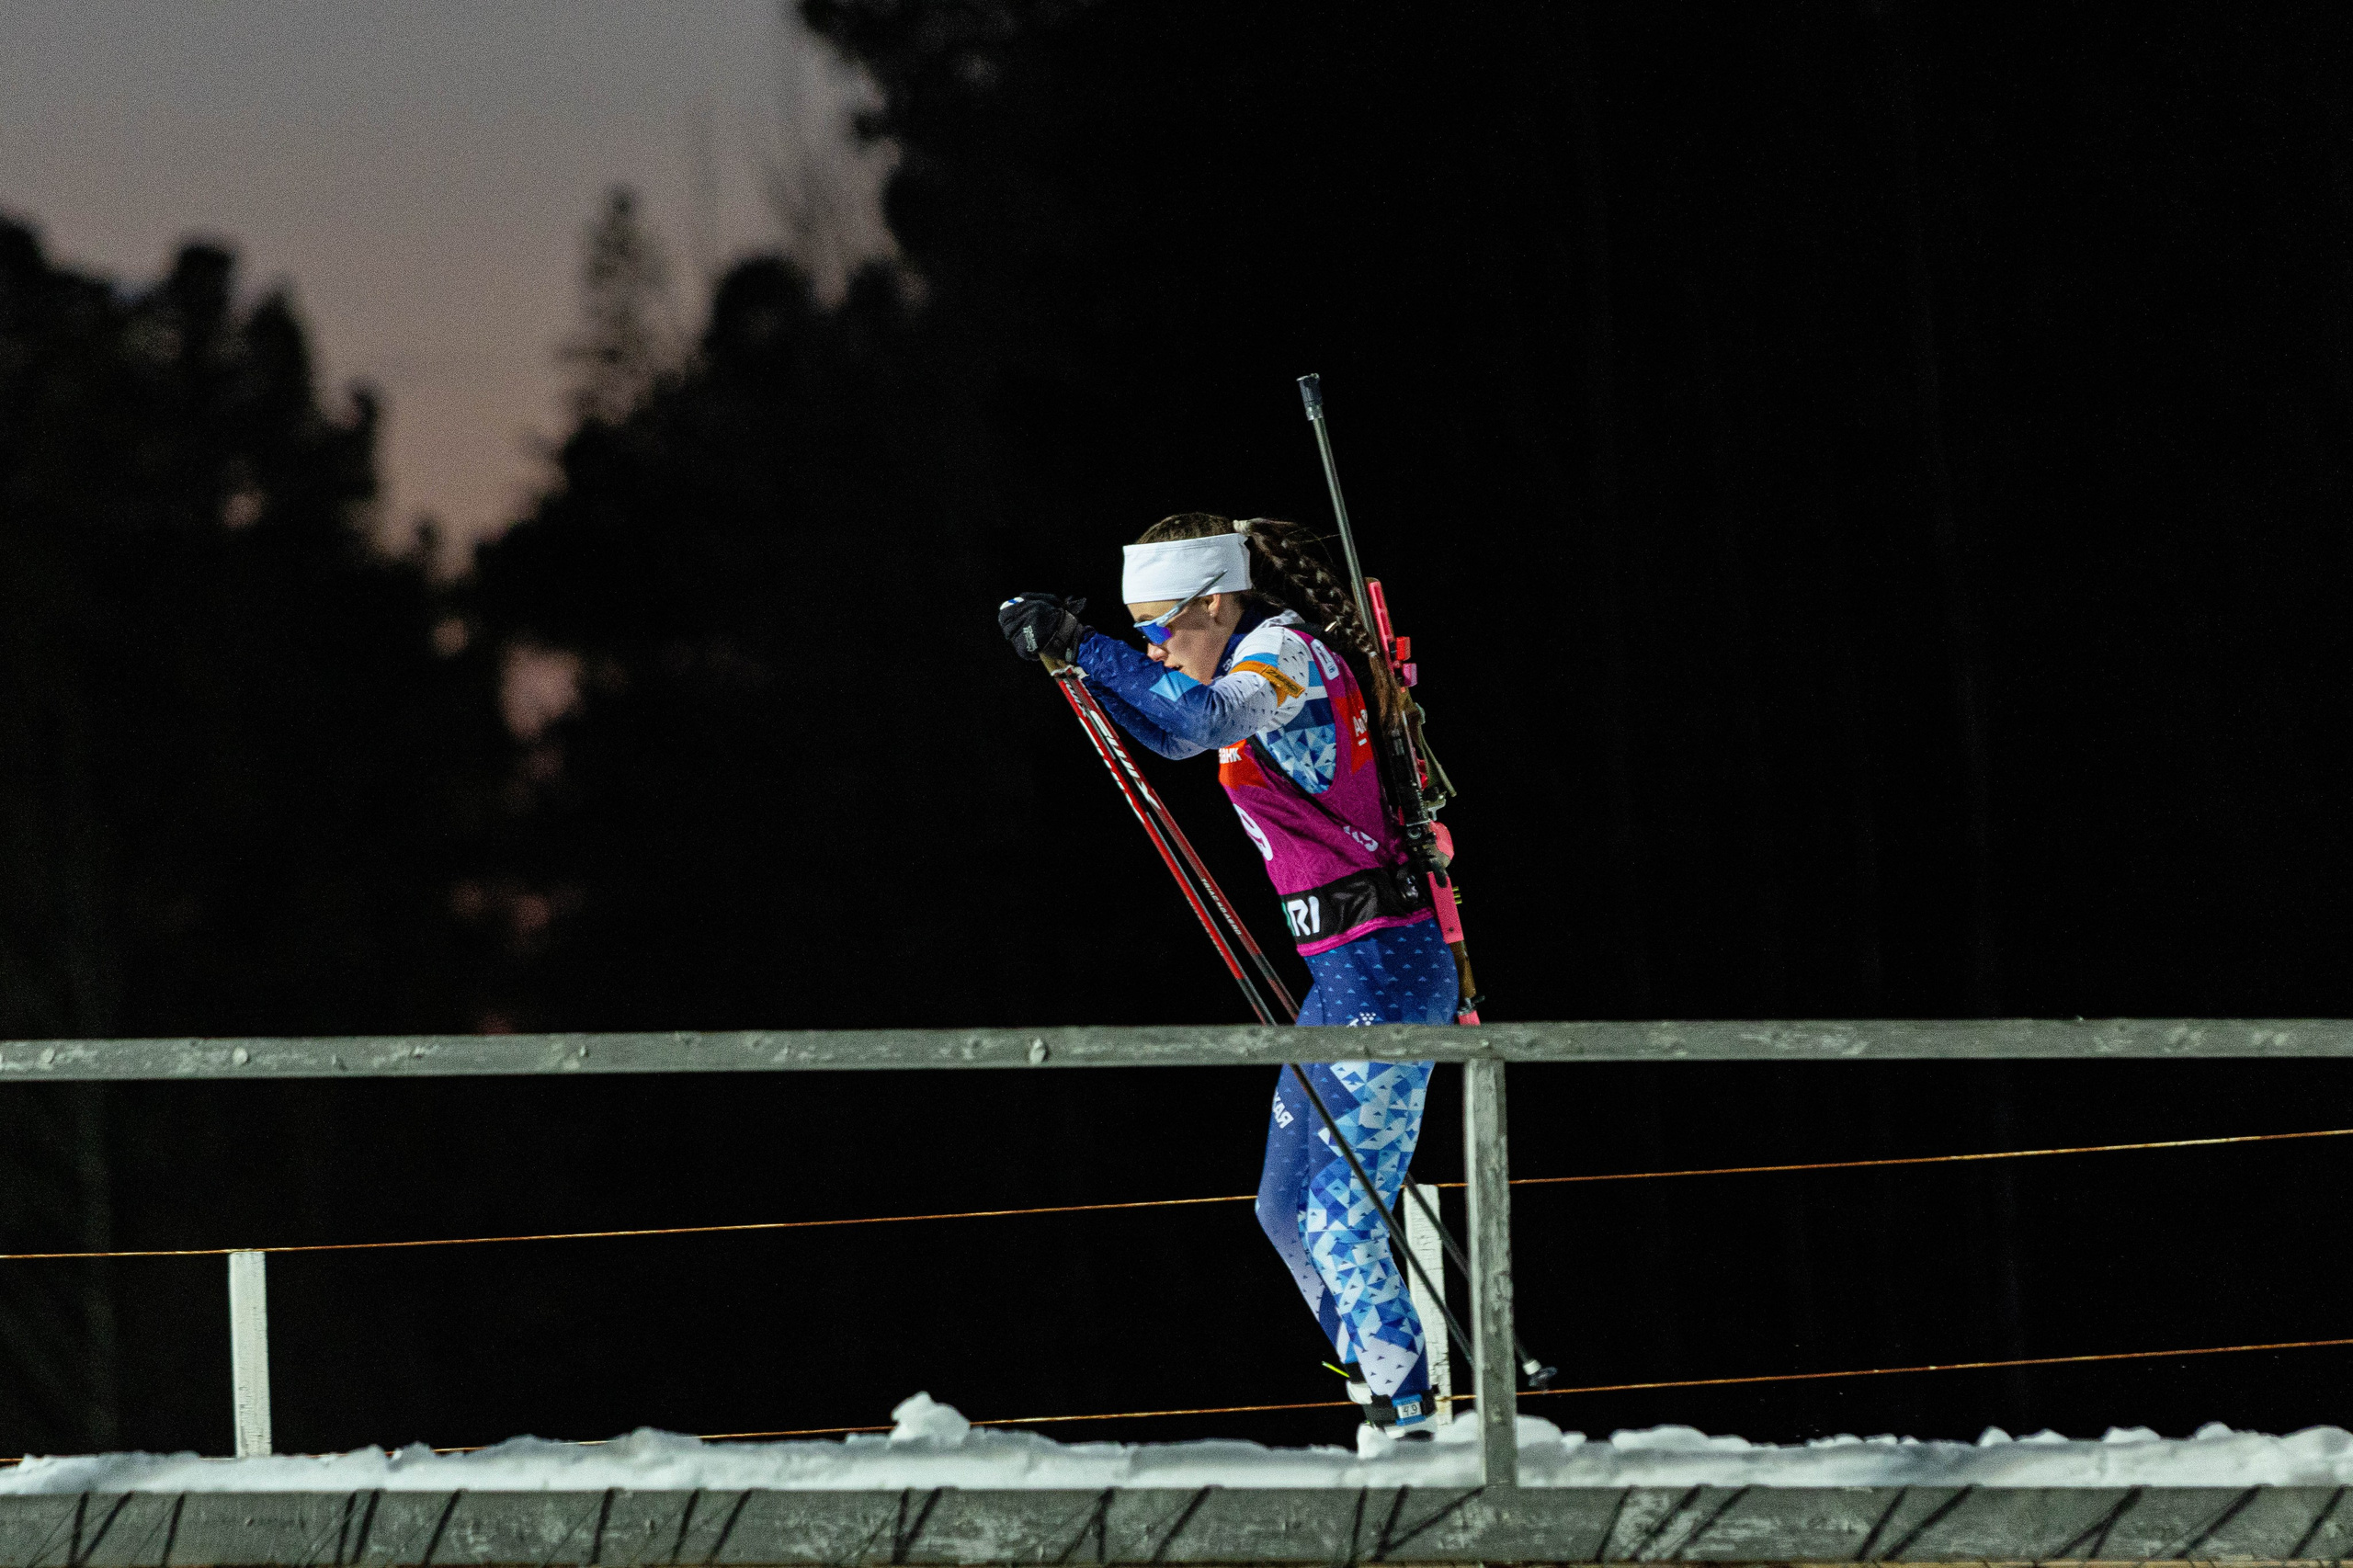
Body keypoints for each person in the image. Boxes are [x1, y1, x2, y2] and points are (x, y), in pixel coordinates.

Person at [997, 513, 1456, 1438]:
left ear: (1215, 597)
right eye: (1142, 634)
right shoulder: (1240, 661)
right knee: (1284, 1209)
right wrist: (1080, 663)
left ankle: (1411, 1422)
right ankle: (1381, 1393)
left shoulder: (1281, 656)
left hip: (1388, 973)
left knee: (1338, 1220)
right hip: (1340, 982)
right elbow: (1174, 736)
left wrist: (1085, 644)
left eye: (1162, 627)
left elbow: (1200, 716)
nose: (1155, 647)